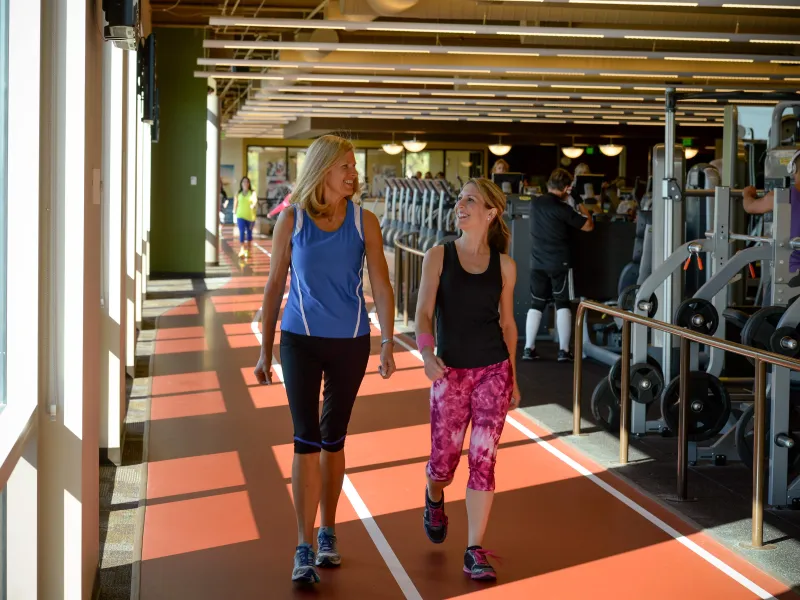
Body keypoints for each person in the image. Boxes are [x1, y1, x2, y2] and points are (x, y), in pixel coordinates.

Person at [254, 135, 397, 585]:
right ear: (323, 171)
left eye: (355, 166)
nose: (354, 173)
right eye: (346, 167)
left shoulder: (364, 221)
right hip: (299, 339)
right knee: (305, 438)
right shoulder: (292, 221)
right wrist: (265, 347)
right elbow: (275, 284)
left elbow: (381, 282)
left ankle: (328, 532)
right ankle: (303, 543)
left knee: (334, 439)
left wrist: (389, 340)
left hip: (350, 341)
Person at [414, 178, 521, 581]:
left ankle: (474, 548)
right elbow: (424, 313)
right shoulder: (438, 255)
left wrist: (514, 377)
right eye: (460, 198)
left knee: (483, 459)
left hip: (494, 370)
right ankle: (433, 495)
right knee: (443, 463)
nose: (460, 204)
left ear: (490, 213)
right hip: (450, 372)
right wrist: (426, 352)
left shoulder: (505, 265)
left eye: (470, 199)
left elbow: (508, 325)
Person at [523, 168, 594, 362]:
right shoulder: (563, 208)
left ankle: (528, 348)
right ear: (566, 188)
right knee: (562, 303)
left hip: (537, 262)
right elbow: (588, 225)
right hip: (559, 262)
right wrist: (578, 200)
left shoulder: (535, 203)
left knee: (536, 303)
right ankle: (564, 351)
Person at [742, 150, 800, 283]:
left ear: (793, 168)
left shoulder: (782, 195)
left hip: (790, 273)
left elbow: (750, 207)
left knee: (771, 301)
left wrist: (747, 194)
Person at [234, 177, 258, 259]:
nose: (245, 183)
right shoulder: (238, 193)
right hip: (240, 215)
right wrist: (234, 210)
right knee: (241, 232)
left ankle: (248, 250)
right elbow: (236, 202)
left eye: (247, 182)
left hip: (251, 217)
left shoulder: (252, 192)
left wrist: (253, 205)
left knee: (249, 234)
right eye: (243, 182)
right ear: (241, 183)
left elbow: (255, 200)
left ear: (249, 184)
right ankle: (242, 249)